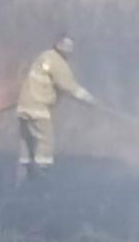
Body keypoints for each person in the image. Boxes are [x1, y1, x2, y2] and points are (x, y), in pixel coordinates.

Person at [15, 35, 97, 182]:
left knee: (26, 138)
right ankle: (41, 172)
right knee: (45, 139)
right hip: (38, 107)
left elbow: (47, 83)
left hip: (24, 105)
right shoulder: (57, 63)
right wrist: (89, 100)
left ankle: (23, 169)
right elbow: (70, 87)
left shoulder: (44, 56)